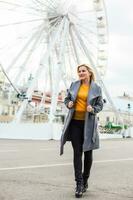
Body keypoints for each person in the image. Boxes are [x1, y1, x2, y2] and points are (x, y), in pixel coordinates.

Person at [60, 64, 103, 198]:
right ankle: (78, 184)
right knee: (77, 153)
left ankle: (85, 181)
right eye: (79, 71)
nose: (81, 73)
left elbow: (100, 105)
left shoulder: (96, 88)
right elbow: (67, 99)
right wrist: (68, 104)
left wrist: (93, 110)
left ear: (89, 72)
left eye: (83, 71)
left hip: (88, 124)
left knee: (88, 154)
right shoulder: (74, 84)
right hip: (74, 123)